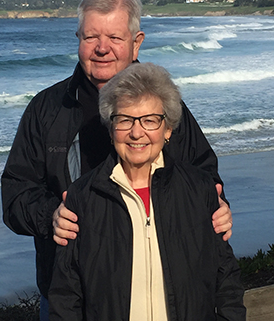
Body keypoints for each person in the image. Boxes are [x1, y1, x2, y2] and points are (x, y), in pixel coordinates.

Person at [1, 0, 232, 320]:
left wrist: (220, 207)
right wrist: (51, 216)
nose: (102, 49)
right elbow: (15, 194)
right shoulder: (47, 109)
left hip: (162, 287)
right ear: (77, 38)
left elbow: (205, 176)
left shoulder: (165, 107)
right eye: (91, 36)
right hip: (71, 292)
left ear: (136, 42)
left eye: (115, 37)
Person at [49, 62, 246, 320]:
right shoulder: (83, 197)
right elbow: (65, 298)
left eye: (150, 120)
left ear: (168, 130)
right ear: (111, 130)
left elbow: (227, 282)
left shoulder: (199, 190)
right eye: (125, 120)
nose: (136, 132)